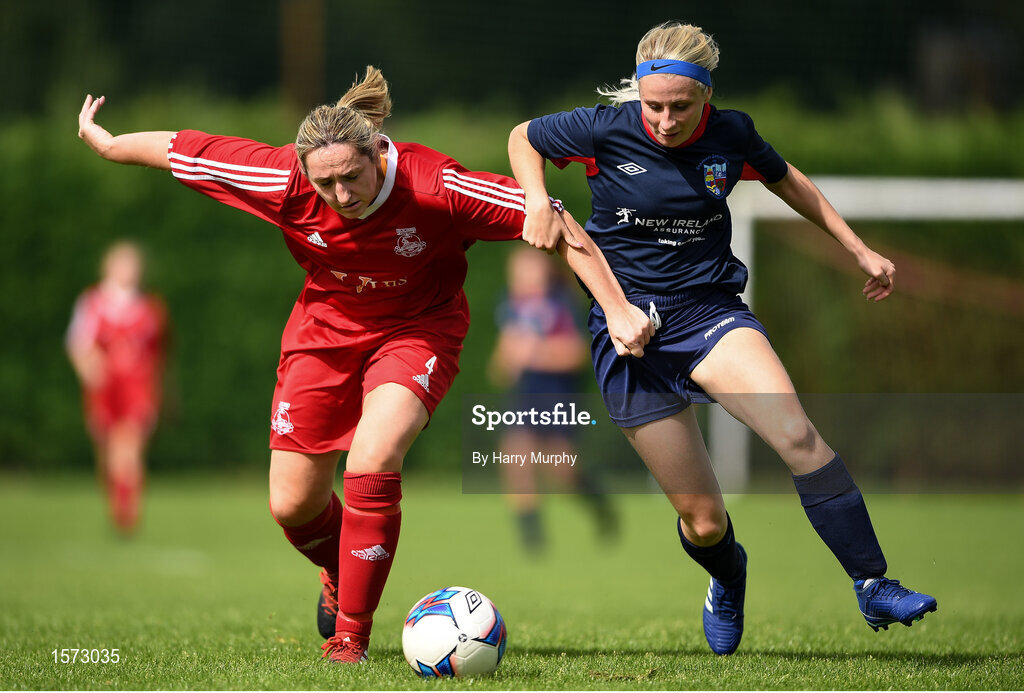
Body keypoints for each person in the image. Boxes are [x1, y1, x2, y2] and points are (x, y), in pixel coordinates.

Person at [77, 66, 653, 664]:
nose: (342, 195)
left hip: (418, 330)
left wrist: (616, 309)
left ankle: (349, 638)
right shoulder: (280, 177)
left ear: (380, 152)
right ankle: (339, 568)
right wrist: (111, 144)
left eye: (352, 177)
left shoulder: (437, 186)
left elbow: (555, 219)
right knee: (292, 505)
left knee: (373, 460)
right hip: (322, 333)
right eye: (326, 184)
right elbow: (179, 150)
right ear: (302, 171)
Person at [508, 21, 937, 655]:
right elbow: (524, 137)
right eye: (654, 105)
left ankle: (873, 583)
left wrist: (858, 249)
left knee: (797, 436)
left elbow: (786, 178)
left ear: (707, 96)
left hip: (708, 313)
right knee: (703, 522)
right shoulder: (605, 128)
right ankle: (728, 580)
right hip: (624, 328)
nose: (665, 119)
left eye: (681, 106)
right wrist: (535, 199)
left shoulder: (732, 133)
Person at [487, 246, 617, 554]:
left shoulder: (563, 303)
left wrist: (536, 353)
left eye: (527, 270)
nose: (520, 277)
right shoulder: (511, 306)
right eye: (516, 271)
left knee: (563, 473)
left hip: (558, 395)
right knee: (515, 458)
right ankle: (532, 541)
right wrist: (505, 361)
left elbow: (576, 354)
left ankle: (600, 506)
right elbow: (501, 365)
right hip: (524, 395)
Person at [66, 240, 168, 534]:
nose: (129, 270)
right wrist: (89, 367)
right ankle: (117, 504)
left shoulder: (150, 307)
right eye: (122, 263)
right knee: (109, 450)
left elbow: (158, 354)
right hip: (104, 388)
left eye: (133, 264)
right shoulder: (92, 303)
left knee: (130, 447)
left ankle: (129, 511)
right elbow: (77, 343)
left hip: (137, 387)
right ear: (108, 267)